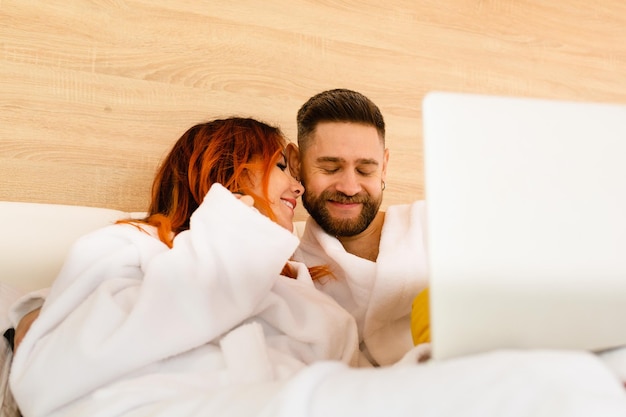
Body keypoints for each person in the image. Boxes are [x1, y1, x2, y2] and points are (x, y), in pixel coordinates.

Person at [9, 117, 359, 417]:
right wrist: (237, 228)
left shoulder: (297, 281)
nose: (298, 186)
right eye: (281, 166)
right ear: (229, 168)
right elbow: (60, 365)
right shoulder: (133, 245)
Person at [285, 88, 429, 366]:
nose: (349, 187)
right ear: (296, 163)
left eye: (365, 170)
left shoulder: (433, 227)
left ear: (384, 166)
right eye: (330, 168)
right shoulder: (291, 268)